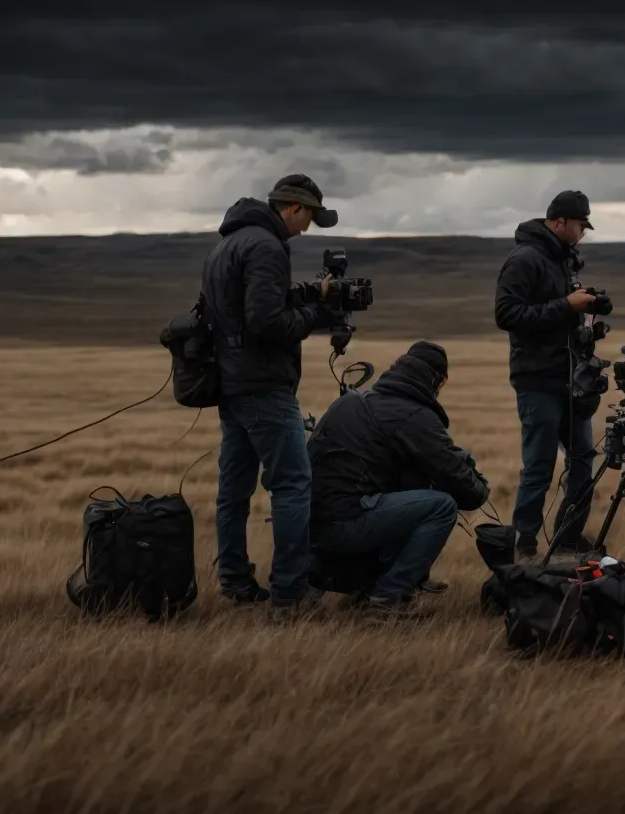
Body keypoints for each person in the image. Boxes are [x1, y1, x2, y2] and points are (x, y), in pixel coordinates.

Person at [201, 173, 339, 614]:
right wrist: (315, 314)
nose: (310, 227)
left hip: (232, 383)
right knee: (294, 484)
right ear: (293, 208)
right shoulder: (265, 246)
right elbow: (265, 322)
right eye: (311, 218)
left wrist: (305, 293)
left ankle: (235, 582)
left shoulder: (229, 243)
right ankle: (290, 593)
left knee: (234, 490)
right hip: (263, 384)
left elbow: (247, 308)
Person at [308, 342, 489, 615]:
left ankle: (368, 586)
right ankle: (386, 599)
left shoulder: (354, 399)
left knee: (407, 490)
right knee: (441, 506)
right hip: (344, 526)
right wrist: (477, 479)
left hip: (310, 527)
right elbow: (469, 492)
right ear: (440, 381)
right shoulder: (412, 415)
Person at [494, 190, 603, 560]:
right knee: (539, 466)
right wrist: (565, 306)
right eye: (579, 224)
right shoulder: (525, 259)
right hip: (538, 378)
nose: (582, 232)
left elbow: (558, 312)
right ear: (558, 222)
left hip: (570, 378)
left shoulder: (564, 260)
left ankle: (568, 539)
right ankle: (523, 544)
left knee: (584, 460)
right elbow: (506, 314)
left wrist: (581, 314)